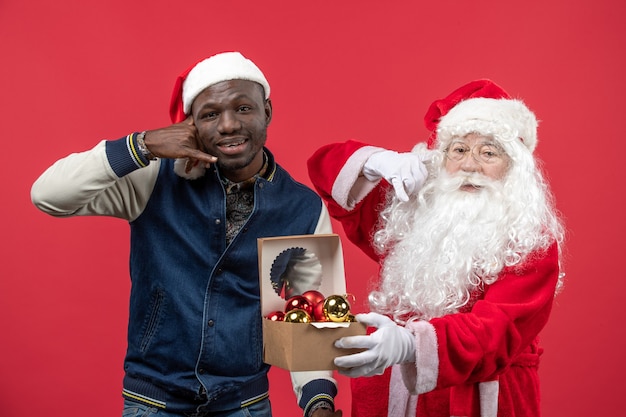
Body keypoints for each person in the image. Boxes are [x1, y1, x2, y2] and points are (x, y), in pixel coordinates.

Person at [31, 51, 341, 417]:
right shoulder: (154, 180)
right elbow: (47, 195)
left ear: (267, 112)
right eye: (210, 114)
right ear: (191, 124)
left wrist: (319, 400)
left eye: (243, 108)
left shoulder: (301, 208)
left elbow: (314, 317)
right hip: (153, 401)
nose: (228, 125)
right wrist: (140, 146)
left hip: (245, 403)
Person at [307, 79, 565, 417]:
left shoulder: (531, 240)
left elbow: (498, 331)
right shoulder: (414, 212)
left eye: (488, 152)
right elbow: (325, 168)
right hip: (395, 397)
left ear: (514, 167)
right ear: (440, 157)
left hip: (481, 401)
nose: (470, 166)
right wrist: (377, 162)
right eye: (458, 150)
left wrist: (411, 345)